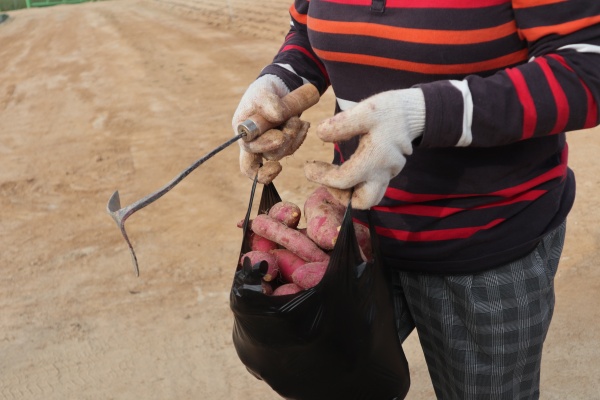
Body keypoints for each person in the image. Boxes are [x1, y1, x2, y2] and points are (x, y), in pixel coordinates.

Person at [231, 1, 600, 398]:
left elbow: (587, 71)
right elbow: (308, 31)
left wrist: (423, 114)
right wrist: (278, 83)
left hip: (483, 239)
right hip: (351, 230)